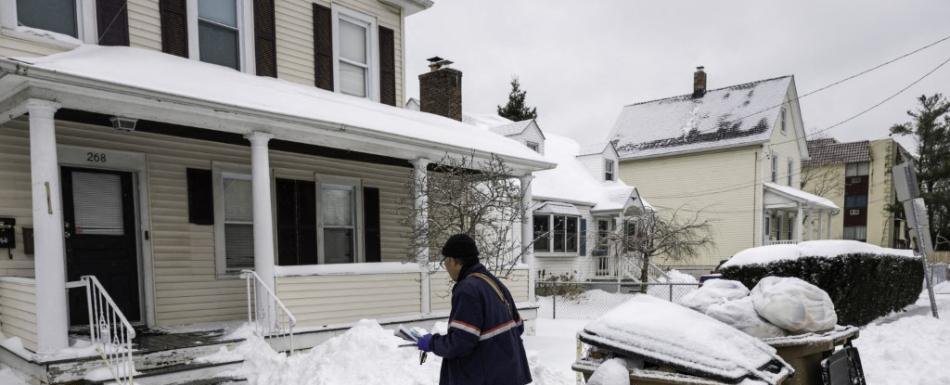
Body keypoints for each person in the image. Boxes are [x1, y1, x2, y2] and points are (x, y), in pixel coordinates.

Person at [416, 233, 532, 385]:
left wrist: (432, 343)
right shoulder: (492, 281)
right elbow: (518, 326)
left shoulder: (468, 289)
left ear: (454, 261)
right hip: (509, 375)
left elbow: (460, 343)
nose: (445, 266)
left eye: (445, 260)